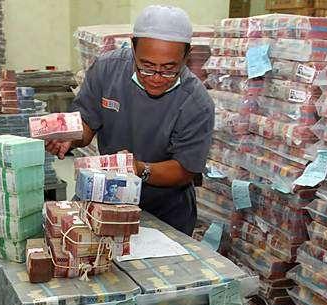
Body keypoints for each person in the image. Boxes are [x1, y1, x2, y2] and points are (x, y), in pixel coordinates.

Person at [45, 5, 214, 235]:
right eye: (147, 67)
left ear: (186, 55)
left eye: (168, 69)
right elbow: (87, 122)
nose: (156, 77)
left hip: (165, 210)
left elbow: (185, 169)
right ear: (133, 47)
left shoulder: (196, 102)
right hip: (106, 199)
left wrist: (139, 169)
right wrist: (70, 137)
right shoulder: (107, 70)